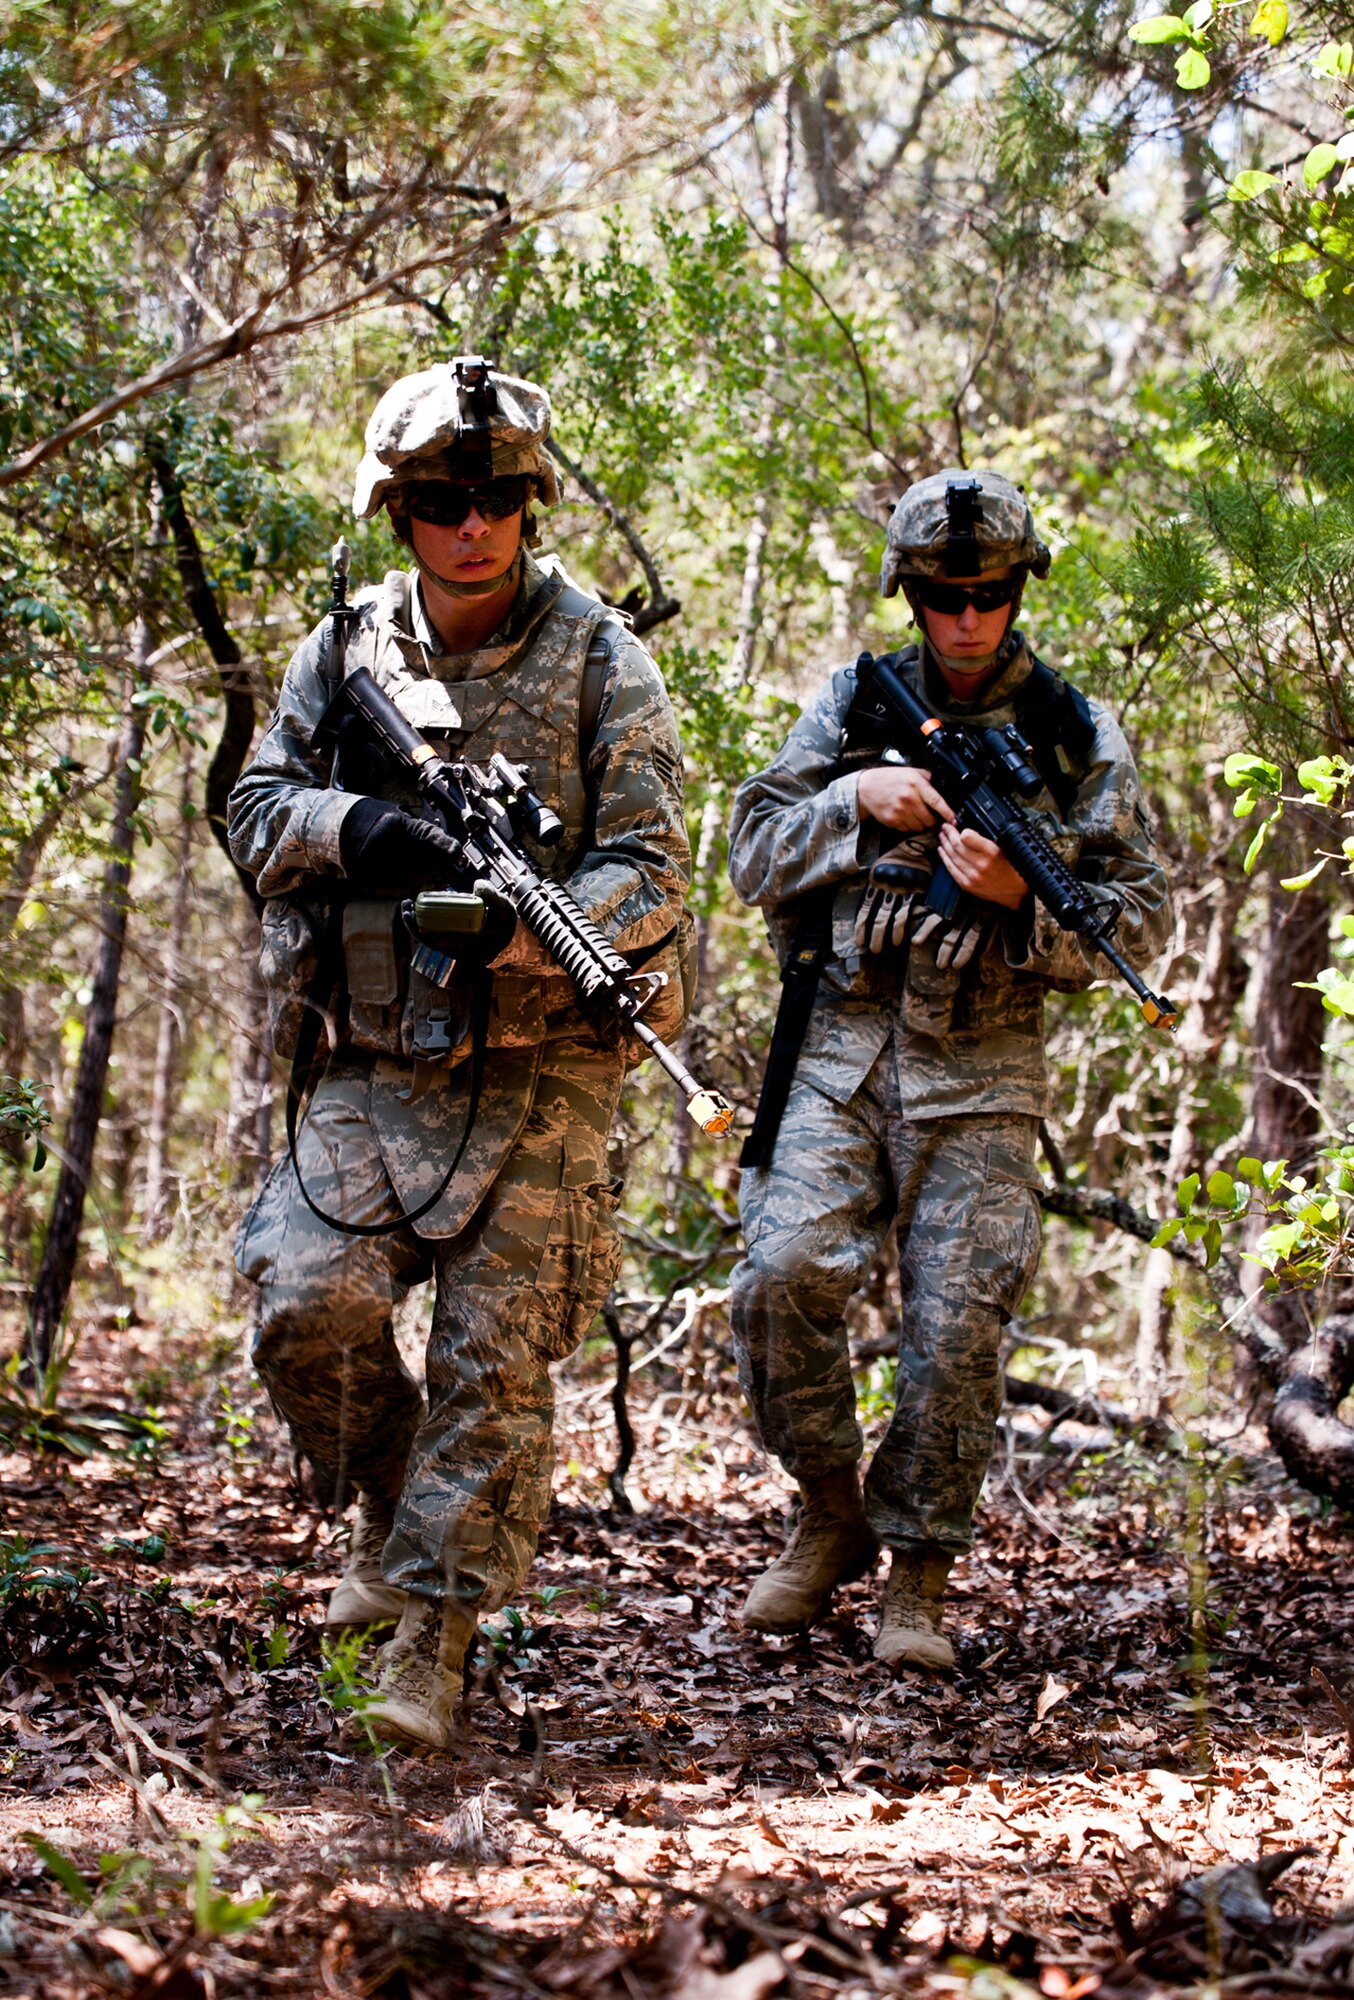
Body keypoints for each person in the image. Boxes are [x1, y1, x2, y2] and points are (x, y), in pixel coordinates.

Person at [229, 357, 691, 1749]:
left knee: (497, 1362)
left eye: (496, 499)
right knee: (300, 1311)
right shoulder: (346, 649)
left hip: (546, 1060)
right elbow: (256, 812)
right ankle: (390, 1497)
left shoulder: (605, 656)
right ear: (399, 510)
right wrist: (362, 833)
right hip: (376, 1061)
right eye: (441, 502)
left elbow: (652, 872)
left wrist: (531, 933)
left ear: (530, 504)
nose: (471, 526)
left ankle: (429, 1643)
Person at [726, 469, 1172, 1670]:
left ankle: (915, 1565)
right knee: (777, 1274)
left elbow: (1136, 920)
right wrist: (854, 800)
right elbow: (751, 849)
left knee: (958, 1321)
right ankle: (829, 1510)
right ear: (910, 594)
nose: (966, 618)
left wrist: (1022, 897)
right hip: (840, 1044)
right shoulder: (845, 706)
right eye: (940, 595)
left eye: (986, 595)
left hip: (981, 1061)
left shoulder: (1075, 733)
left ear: (1018, 590)